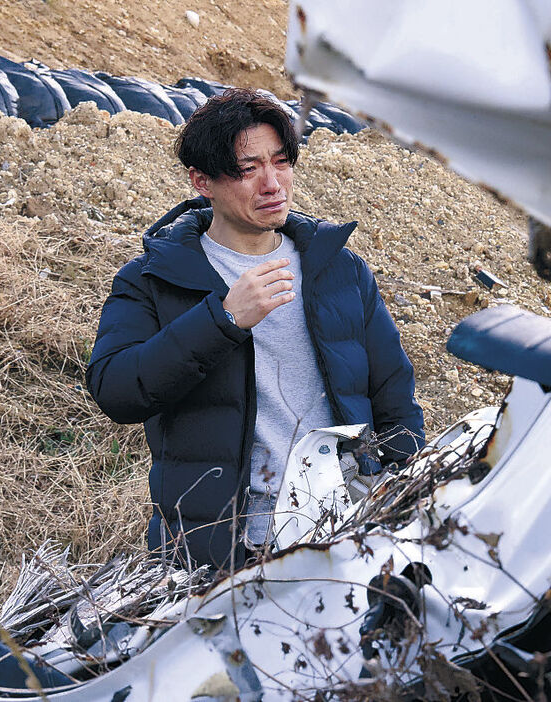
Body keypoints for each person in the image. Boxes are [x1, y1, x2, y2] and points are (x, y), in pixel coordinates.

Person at [86, 88, 424, 569]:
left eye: (281, 162)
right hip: (225, 549)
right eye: (249, 169)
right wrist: (221, 320)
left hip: (346, 530)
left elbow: (394, 397)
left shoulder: (338, 269)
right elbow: (116, 391)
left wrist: (400, 496)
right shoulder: (152, 279)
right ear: (202, 180)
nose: (273, 184)